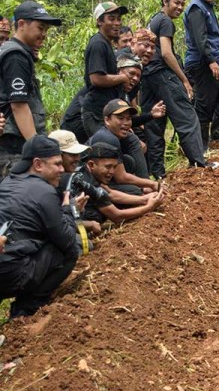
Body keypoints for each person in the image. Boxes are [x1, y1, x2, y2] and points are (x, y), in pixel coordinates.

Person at [0, 135, 82, 318]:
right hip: (13, 274)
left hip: (5, 261)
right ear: (38, 164)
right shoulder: (45, 191)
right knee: (71, 250)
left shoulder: (6, 182)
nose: (62, 169)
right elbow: (67, 241)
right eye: (57, 164)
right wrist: (69, 208)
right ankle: (27, 308)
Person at [142, 0, 216, 179]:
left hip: (147, 75)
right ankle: (199, 162)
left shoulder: (154, 19)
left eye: (183, 4)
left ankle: (158, 174)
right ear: (165, 1)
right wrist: (184, 80)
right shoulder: (166, 22)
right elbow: (166, 53)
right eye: (176, 3)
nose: (180, 7)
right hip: (162, 74)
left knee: (155, 124)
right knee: (187, 117)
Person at [0, 1, 62, 179]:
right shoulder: (16, 56)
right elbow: (18, 105)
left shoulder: (16, 52)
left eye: (46, 30)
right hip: (15, 148)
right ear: (21, 24)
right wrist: (38, 148)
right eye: (40, 28)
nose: (43, 34)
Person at [184, 0, 219, 152]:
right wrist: (212, 61)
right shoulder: (196, 9)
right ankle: (201, 150)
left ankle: (216, 132)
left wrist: (217, 61)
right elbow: (201, 39)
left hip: (212, 61)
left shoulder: (207, 6)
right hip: (202, 63)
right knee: (204, 107)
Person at [74, 142, 166, 225]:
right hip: (74, 225)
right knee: (99, 214)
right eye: (108, 167)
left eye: (114, 167)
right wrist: (149, 207)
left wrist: (144, 199)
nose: (112, 172)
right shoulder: (87, 183)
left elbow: (109, 193)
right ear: (91, 165)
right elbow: (117, 217)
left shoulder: (86, 168)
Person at [87, 99, 159, 195]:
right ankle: (143, 190)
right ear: (107, 120)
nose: (126, 123)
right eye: (120, 118)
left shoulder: (121, 135)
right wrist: (152, 184)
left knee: (128, 159)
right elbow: (121, 177)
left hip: (107, 177)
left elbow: (143, 148)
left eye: (128, 119)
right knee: (135, 191)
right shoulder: (107, 137)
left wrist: (146, 184)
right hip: (90, 182)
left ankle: (144, 187)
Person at [81, 2, 129, 138]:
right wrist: (122, 77)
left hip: (106, 110)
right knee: (105, 149)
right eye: (111, 19)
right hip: (96, 111)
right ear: (99, 21)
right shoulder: (98, 44)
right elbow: (96, 79)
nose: (117, 23)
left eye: (119, 19)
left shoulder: (106, 44)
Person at [47, 130, 102, 236]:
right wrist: (89, 224)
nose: (77, 158)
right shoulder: (48, 183)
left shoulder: (67, 177)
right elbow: (54, 223)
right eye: (72, 154)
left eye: (78, 154)